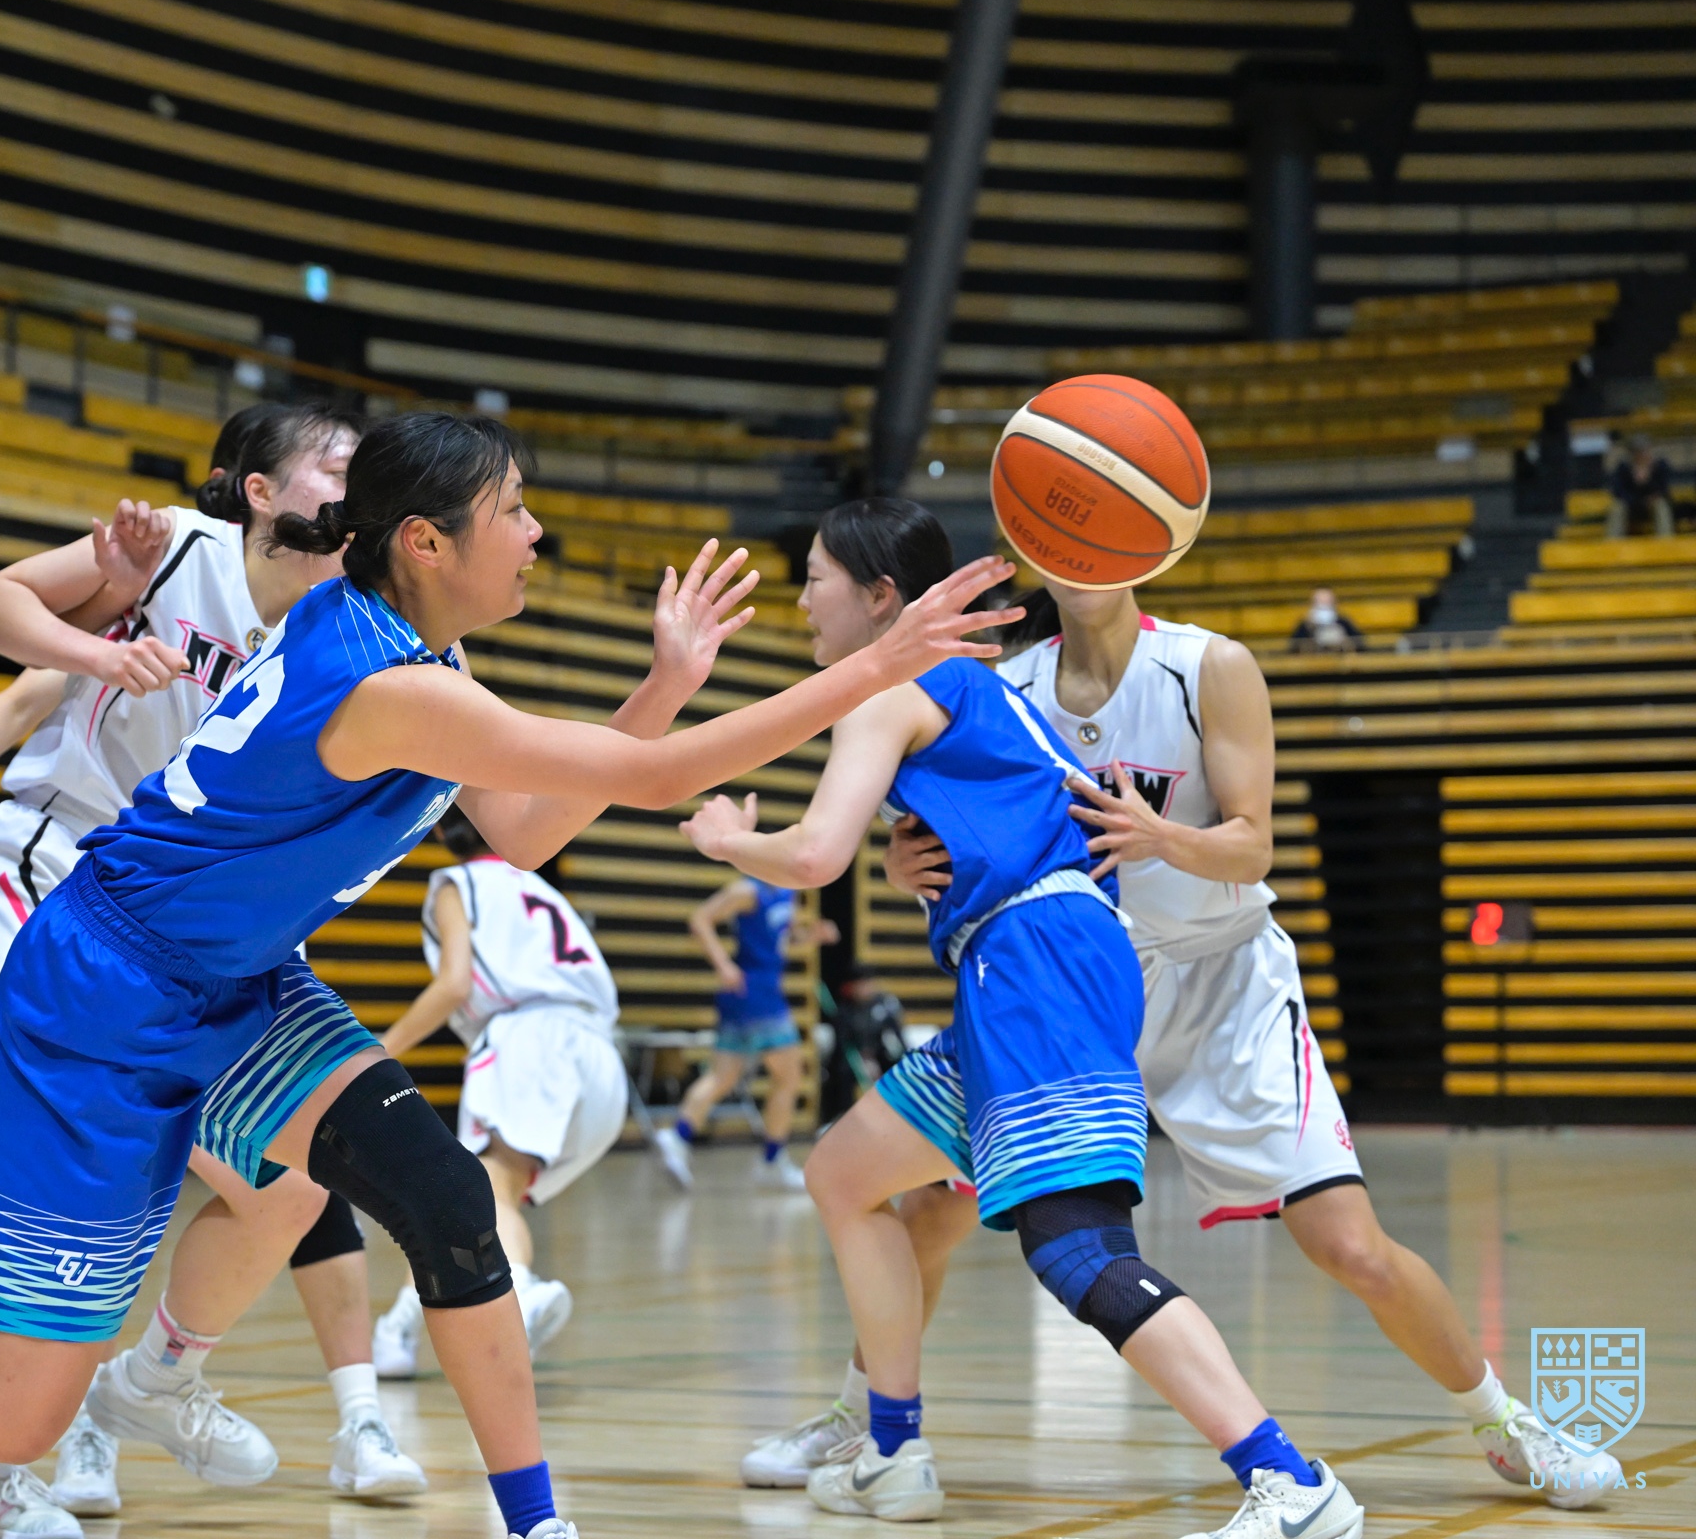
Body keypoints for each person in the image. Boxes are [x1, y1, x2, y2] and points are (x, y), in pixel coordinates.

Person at [0, 411, 1017, 1539]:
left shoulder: (388, 632)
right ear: (426, 542)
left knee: (443, 1197)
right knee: (14, 1411)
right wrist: (875, 662)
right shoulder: (389, 684)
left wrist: (665, 684)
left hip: (232, 982)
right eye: (513, 510)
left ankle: (526, 1515)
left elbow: (522, 830)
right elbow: (647, 780)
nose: (536, 533)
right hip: (101, 998)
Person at [765, 574, 1612, 1513]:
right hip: (1079, 987)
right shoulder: (1009, 681)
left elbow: (1253, 846)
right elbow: (947, 826)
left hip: (1220, 981)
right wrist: (900, 862)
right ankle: (871, 1423)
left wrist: (1160, 835)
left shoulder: (1206, 665)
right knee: (925, 1208)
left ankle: (1503, 1420)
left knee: (1348, 1244)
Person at [0, 402, 433, 1539]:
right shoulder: (178, 548)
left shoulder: (355, 622)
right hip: (59, 886)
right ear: (261, 493)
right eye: (335, 467)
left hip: (190, 936)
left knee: (287, 1184)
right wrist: (95, 639)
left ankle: (147, 1386)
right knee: (10, 1211)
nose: (356, 484)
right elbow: (0, 619)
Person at [680, 496, 1362, 1539]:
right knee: (845, 1174)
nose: (803, 599)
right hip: (1040, 957)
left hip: (1036, 963)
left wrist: (731, 840)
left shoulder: (894, 684)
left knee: (1076, 1249)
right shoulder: (974, 688)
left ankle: (1290, 1479)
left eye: (815, 578)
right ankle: (893, 1454)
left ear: (880, 597)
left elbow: (815, 854)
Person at [370, 805, 629, 1378]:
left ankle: (523, 1294)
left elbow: (454, 983)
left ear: (440, 826)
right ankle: (399, 1327)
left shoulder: (456, 883)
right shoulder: (535, 884)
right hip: (600, 1055)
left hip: (529, 1038)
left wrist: (380, 1052)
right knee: (472, 1198)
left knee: (490, 1190)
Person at [651, 874, 834, 1192]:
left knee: (722, 1076)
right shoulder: (748, 890)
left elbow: (781, 938)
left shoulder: (787, 892)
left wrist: (810, 936)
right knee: (789, 1076)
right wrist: (723, 964)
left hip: (752, 993)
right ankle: (772, 1160)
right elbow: (700, 919)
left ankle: (677, 1136)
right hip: (755, 993)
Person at [1606, 432, 1676, 539]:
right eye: (1637, 451)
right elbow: (1618, 491)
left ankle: (1665, 540)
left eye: (1643, 450)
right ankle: (1612, 542)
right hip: (1631, 505)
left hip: (1651, 504)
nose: (1641, 454)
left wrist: (1649, 483)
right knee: (1617, 508)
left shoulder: (1660, 466)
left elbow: (1664, 489)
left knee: (1661, 506)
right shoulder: (1623, 468)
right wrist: (1634, 498)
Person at [1285, 587, 1362, 654]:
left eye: (1327, 601)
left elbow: (1361, 645)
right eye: (1320, 601)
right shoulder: (1305, 624)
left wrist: (1344, 641)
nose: (1323, 605)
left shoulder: (1343, 622)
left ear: (1334, 602)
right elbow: (1292, 648)